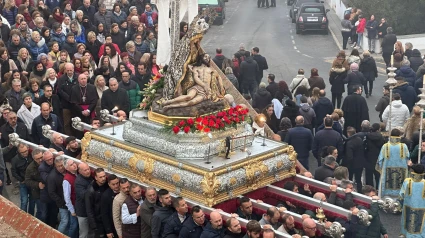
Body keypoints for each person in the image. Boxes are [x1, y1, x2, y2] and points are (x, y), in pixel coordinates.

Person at [377, 128, 410, 198]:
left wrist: (380, 169)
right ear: (399, 135)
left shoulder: (385, 146)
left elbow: (380, 160)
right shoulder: (404, 146)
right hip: (401, 172)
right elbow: (408, 158)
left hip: (387, 171)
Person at [399, 164, 425, 236]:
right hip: (423, 209)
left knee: (407, 224)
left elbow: (401, 195)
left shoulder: (407, 181)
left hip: (408, 207)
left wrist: (399, 206)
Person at [85, 168, 109, 237]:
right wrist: (94, 226)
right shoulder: (91, 191)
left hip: (105, 219)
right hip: (97, 221)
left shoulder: (107, 185)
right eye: (100, 177)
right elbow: (89, 209)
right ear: (96, 178)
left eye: (104, 176)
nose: (103, 178)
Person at [12, 144, 34, 214]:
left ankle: (31, 217)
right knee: (24, 201)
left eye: (26, 151)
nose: (25, 153)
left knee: (32, 201)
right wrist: (21, 180)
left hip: (32, 182)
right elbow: (14, 172)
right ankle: (22, 215)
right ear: (19, 152)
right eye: (23, 152)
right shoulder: (15, 160)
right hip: (23, 182)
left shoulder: (31, 155)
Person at [342, 127, 365, 192]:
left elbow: (349, 156)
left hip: (351, 165)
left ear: (348, 134)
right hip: (360, 163)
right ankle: (360, 192)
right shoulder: (359, 139)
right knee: (358, 180)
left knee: (350, 180)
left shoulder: (349, 143)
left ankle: (350, 191)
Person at [75, 162, 94, 237]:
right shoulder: (79, 182)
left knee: (90, 232)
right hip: (83, 212)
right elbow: (84, 196)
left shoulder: (90, 177)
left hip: (89, 211)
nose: (88, 171)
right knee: (84, 233)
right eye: (85, 170)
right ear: (80, 171)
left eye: (88, 169)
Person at [62, 158, 79, 238]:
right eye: (71, 165)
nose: (74, 165)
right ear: (67, 168)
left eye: (74, 163)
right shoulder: (67, 180)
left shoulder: (77, 174)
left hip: (78, 204)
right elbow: (67, 197)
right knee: (74, 225)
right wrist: (72, 210)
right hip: (74, 206)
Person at [365, 123, 385, 189]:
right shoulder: (381, 137)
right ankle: (378, 189)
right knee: (378, 176)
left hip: (369, 157)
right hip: (378, 157)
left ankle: (369, 189)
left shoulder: (368, 136)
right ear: (379, 129)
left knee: (369, 175)